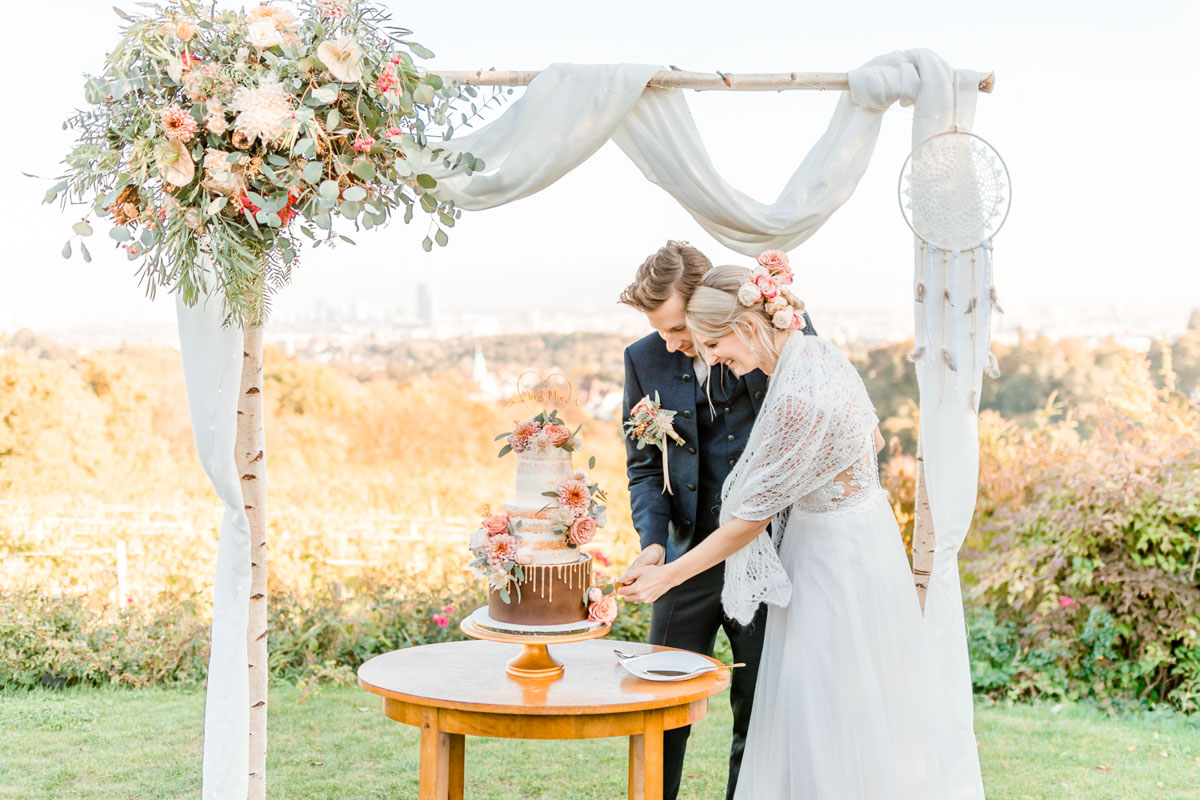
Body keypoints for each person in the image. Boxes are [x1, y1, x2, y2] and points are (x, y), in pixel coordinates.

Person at [619, 262, 980, 799]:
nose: (704, 354)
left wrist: (666, 577)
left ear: (740, 323)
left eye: (707, 341)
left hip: (811, 555)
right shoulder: (822, 358)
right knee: (827, 703)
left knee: (798, 703)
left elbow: (749, 520)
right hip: (834, 539)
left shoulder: (792, 383)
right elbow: (872, 442)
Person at [617, 242, 816, 800]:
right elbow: (641, 465)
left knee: (757, 708)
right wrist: (653, 545)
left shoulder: (774, 334)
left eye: (679, 326)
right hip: (683, 557)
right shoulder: (643, 359)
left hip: (772, 555)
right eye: (660, 330)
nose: (671, 342)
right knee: (660, 707)